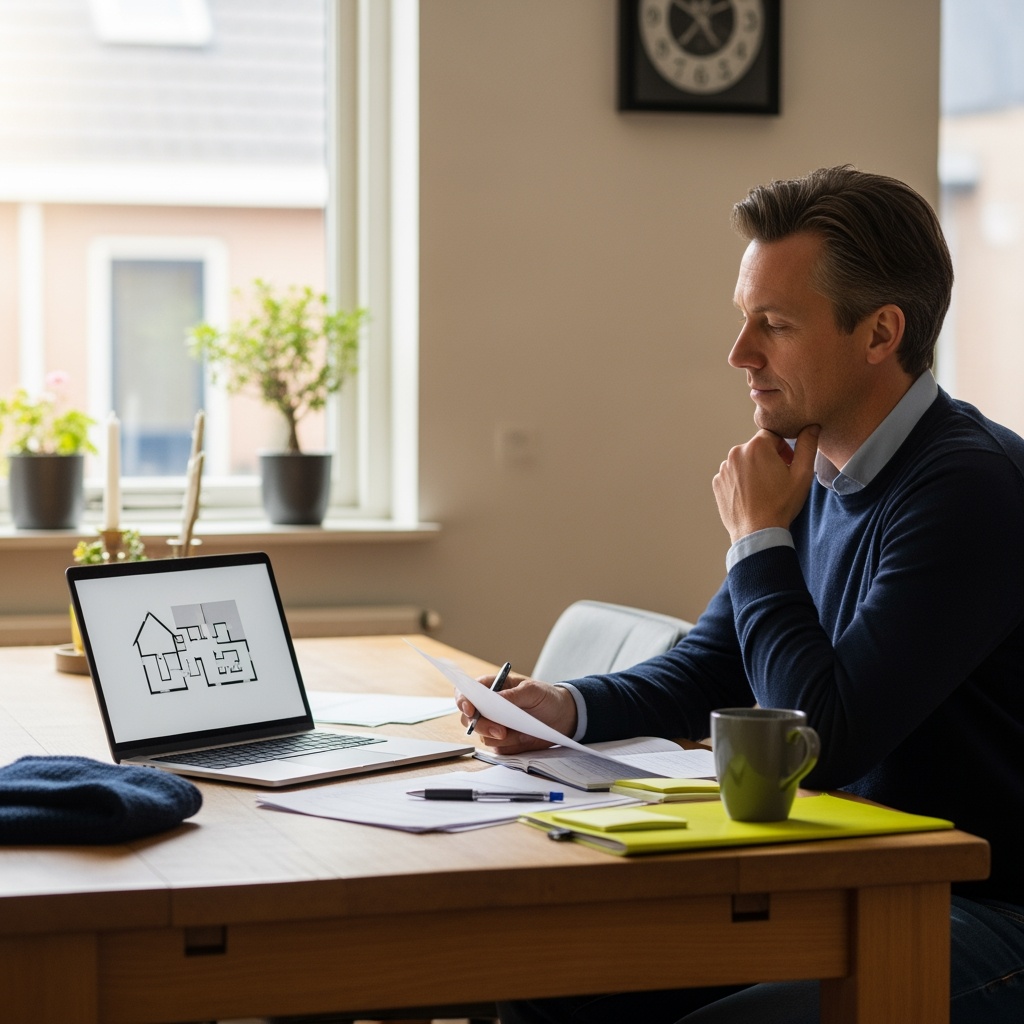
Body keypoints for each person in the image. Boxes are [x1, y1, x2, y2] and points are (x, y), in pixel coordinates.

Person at [457, 166, 1024, 1024]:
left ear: (880, 333)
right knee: (551, 980)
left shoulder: (968, 489)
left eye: (776, 325)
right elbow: (715, 665)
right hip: (847, 873)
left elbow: (816, 741)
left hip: (981, 904)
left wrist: (756, 541)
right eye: (743, 319)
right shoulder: (816, 465)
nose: (740, 354)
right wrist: (562, 708)